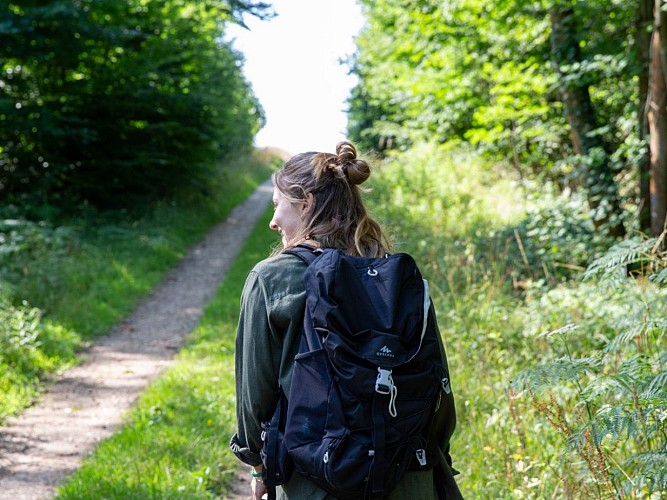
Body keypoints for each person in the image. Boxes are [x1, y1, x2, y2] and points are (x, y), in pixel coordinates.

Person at [230, 141, 459, 499]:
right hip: (407, 473)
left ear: (305, 202)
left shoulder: (271, 278)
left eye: (278, 206)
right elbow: (438, 380)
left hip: (317, 475)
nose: (273, 222)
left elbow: (254, 396)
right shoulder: (396, 278)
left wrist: (258, 465)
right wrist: (433, 458)